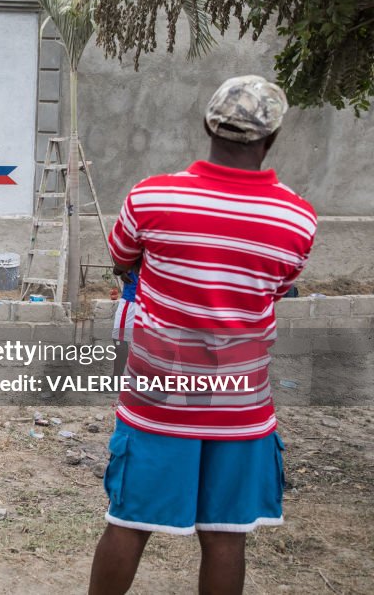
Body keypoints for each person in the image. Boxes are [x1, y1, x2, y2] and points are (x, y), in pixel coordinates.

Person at [89, 76, 317, 595]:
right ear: (273, 137)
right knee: (225, 538)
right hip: (241, 406)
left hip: (158, 400)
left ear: (206, 126)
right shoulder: (297, 218)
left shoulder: (152, 197)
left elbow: (121, 259)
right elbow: (276, 288)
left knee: (128, 522)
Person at [111, 269, 138, 378]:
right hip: (144, 299)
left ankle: (116, 381)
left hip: (131, 300)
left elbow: (118, 268)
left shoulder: (136, 253)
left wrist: (121, 270)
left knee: (119, 339)